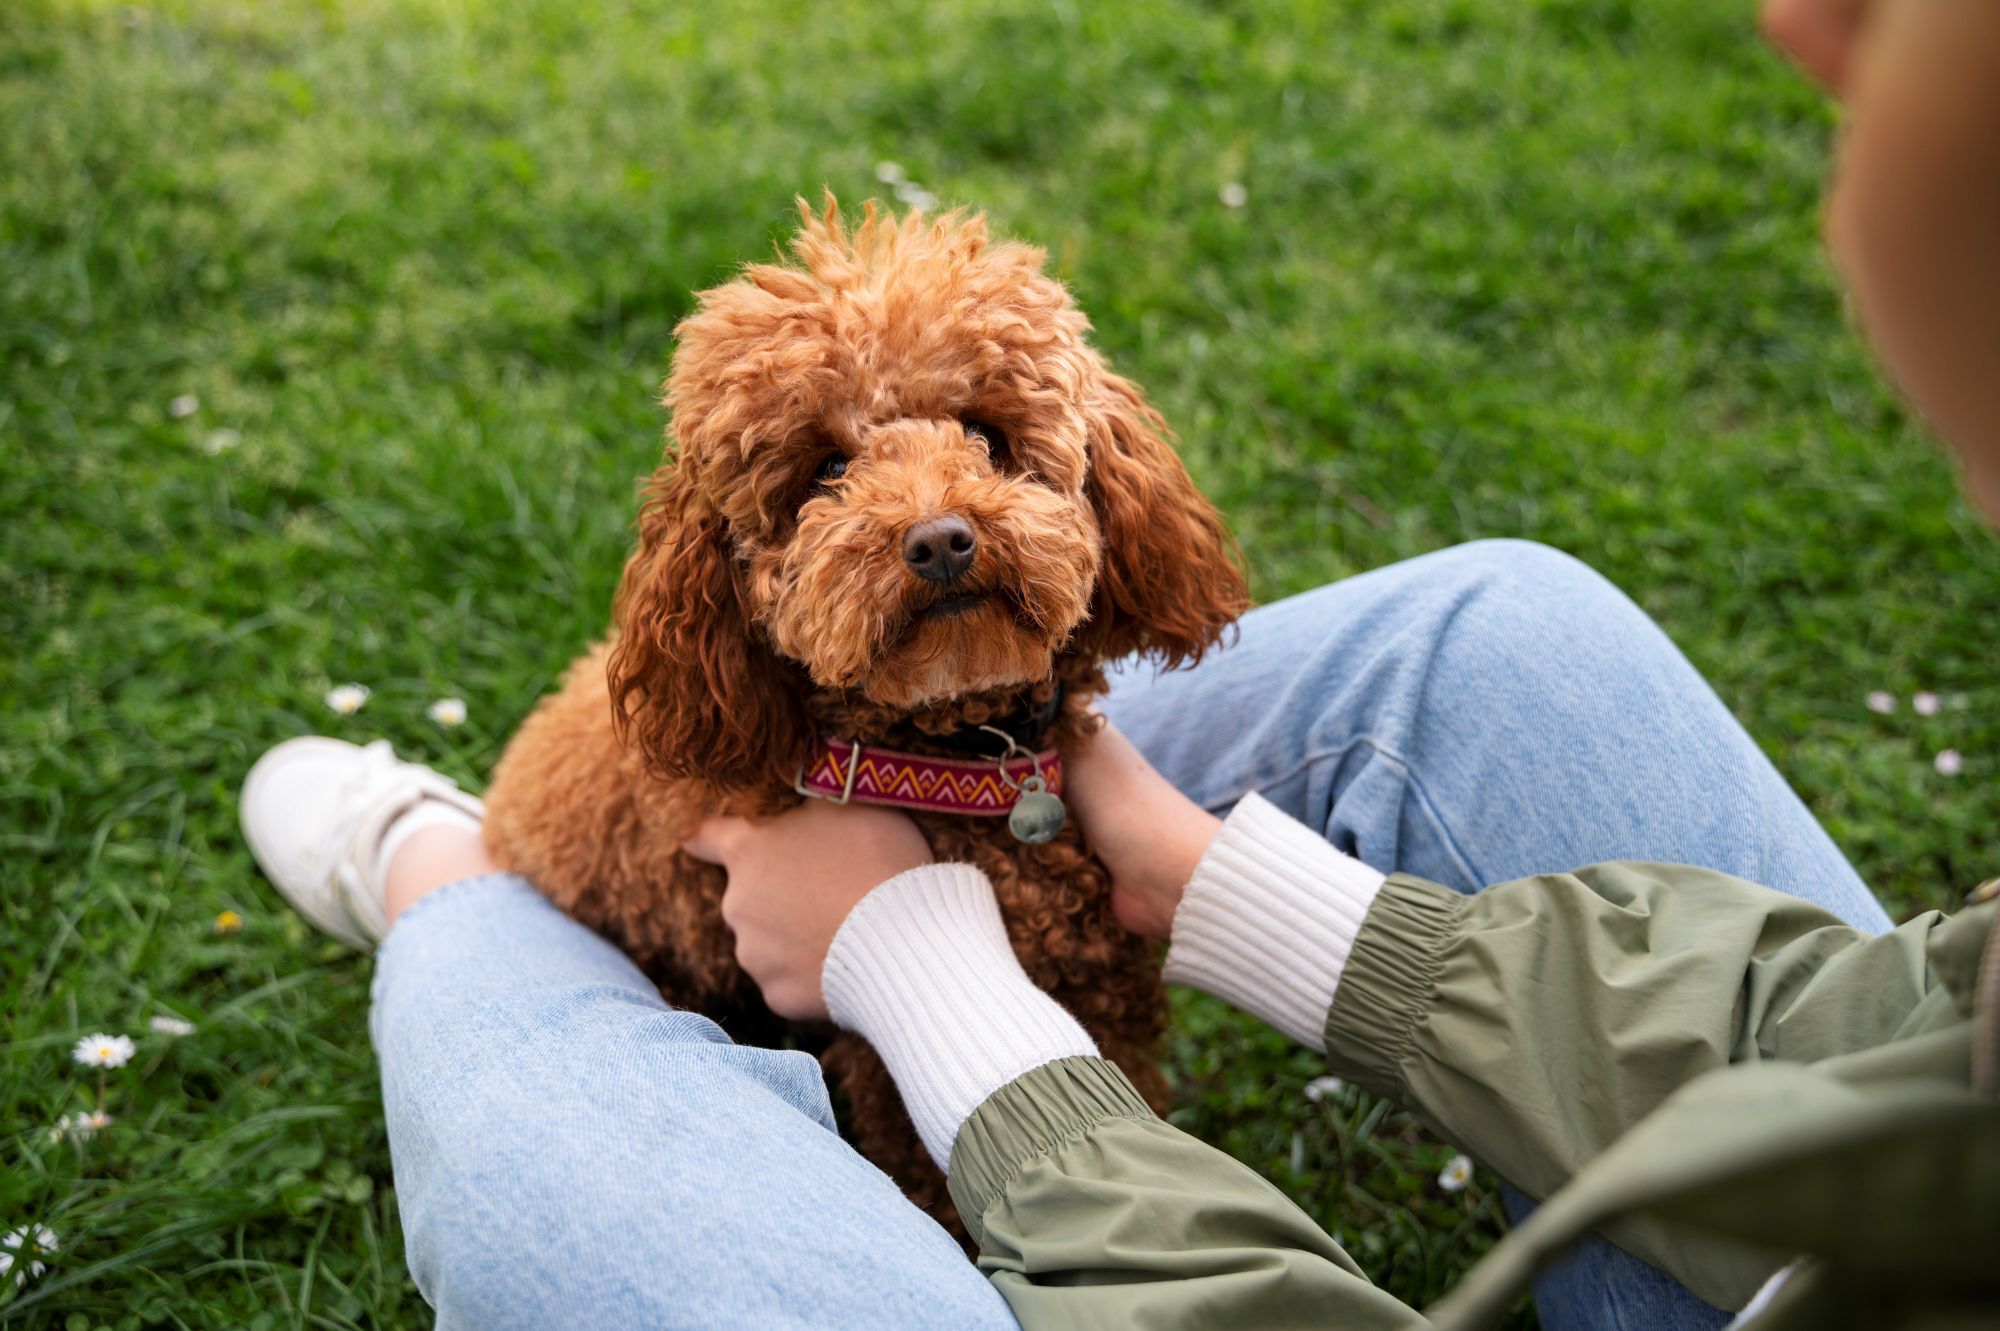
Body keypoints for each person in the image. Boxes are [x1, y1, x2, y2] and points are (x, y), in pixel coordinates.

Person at [238, 1, 2000, 1327]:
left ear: (1099, 480)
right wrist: (1204, 875)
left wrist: (911, 970)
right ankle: (509, 886)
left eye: (1000, 445)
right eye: (829, 478)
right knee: (1506, 621)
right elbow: (1899, 1047)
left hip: (924, 893)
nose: (937, 518)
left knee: (542, 1121)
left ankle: (444, 890)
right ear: (733, 570)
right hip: (768, 832)